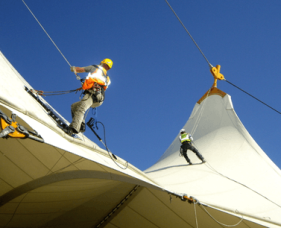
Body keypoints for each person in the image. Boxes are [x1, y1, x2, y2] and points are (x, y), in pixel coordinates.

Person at [67, 58, 113, 135]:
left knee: (81, 108)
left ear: (102, 63)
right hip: (99, 98)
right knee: (74, 106)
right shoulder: (107, 78)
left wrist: (74, 69)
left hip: (92, 93)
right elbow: (100, 85)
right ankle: (81, 125)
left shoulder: (96, 68)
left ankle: (74, 128)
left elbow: (82, 69)